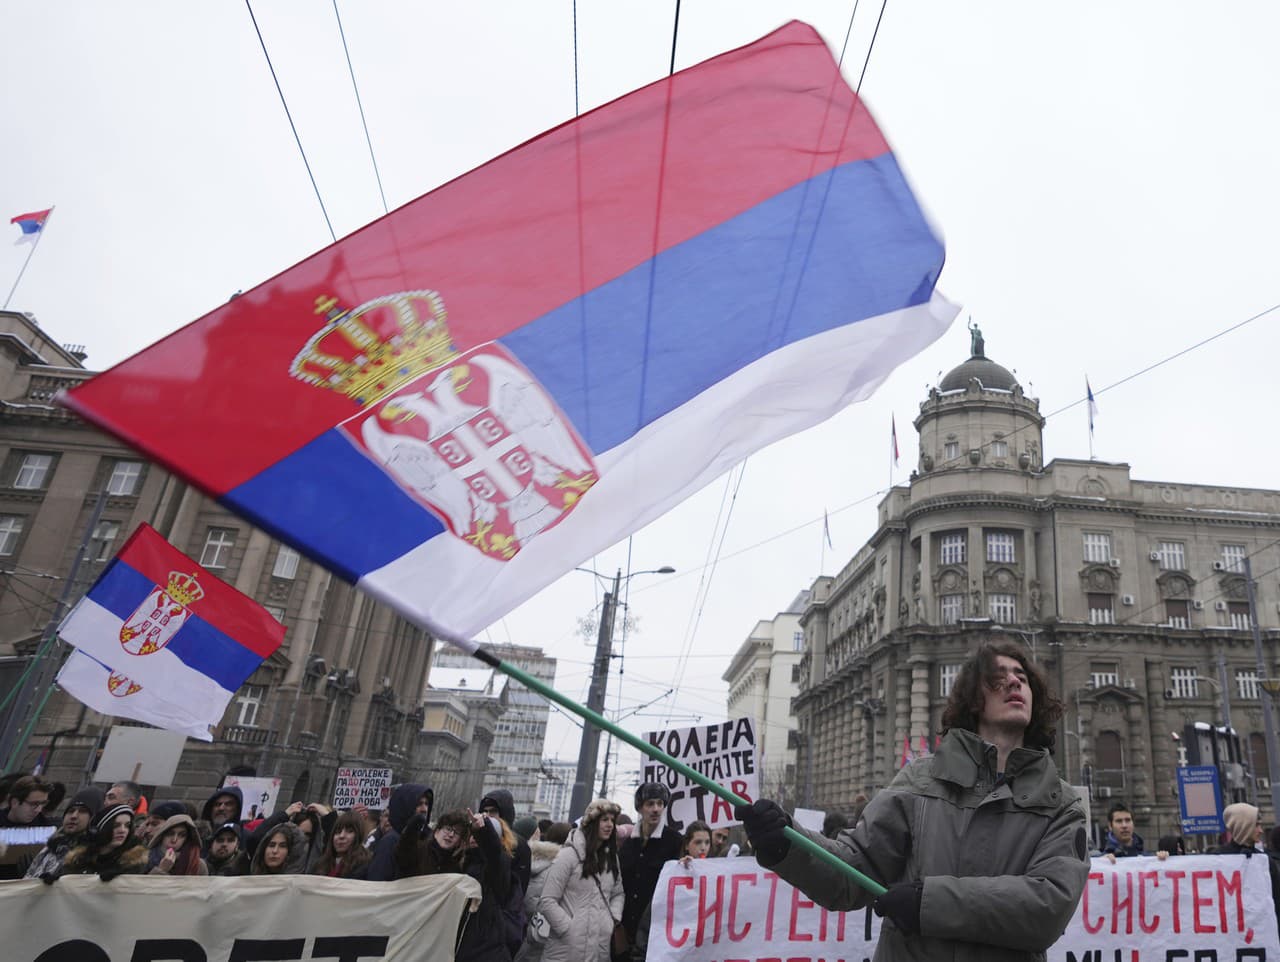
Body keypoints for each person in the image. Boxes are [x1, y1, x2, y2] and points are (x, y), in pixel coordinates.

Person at [736, 642, 1089, 961]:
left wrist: (928, 902)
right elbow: (853, 872)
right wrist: (787, 843)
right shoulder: (919, 782)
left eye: (1021, 677)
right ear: (973, 699)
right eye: (997, 678)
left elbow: (1048, 906)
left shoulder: (1061, 803)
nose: (1014, 683)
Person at [540, 799, 625, 962]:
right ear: (592, 823)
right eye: (604, 820)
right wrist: (569, 930)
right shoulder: (568, 855)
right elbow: (547, 900)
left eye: (613, 821)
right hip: (565, 951)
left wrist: (612, 919)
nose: (610, 825)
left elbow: (618, 893)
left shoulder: (611, 859)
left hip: (600, 949)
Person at [618, 783, 682, 961]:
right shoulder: (627, 845)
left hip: (653, 933)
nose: (656, 809)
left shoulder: (674, 841)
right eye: (650, 804)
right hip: (624, 930)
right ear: (640, 808)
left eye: (660, 804)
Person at [24, 787, 104, 879]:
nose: (74, 816)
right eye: (70, 811)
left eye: (82, 811)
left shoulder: (95, 853)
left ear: (94, 818)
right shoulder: (52, 846)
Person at [59, 804, 149, 880]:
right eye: (116, 825)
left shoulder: (133, 864)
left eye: (127, 825)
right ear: (101, 829)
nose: (122, 830)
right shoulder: (79, 859)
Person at [367, 782, 432, 881]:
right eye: (419, 804)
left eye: (427, 804)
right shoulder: (391, 841)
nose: (424, 809)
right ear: (405, 806)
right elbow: (376, 882)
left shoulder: (427, 838)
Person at [482, 789, 532, 894]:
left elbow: (519, 887)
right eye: (484, 811)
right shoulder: (477, 838)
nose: (487, 815)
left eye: (493, 811)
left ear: (504, 813)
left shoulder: (519, 845)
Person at [312, 811, 371, 879]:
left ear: (359, 835)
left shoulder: (365, 866)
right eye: (338, 832)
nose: (341, 836)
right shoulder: (320, 864)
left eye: (349, 831)